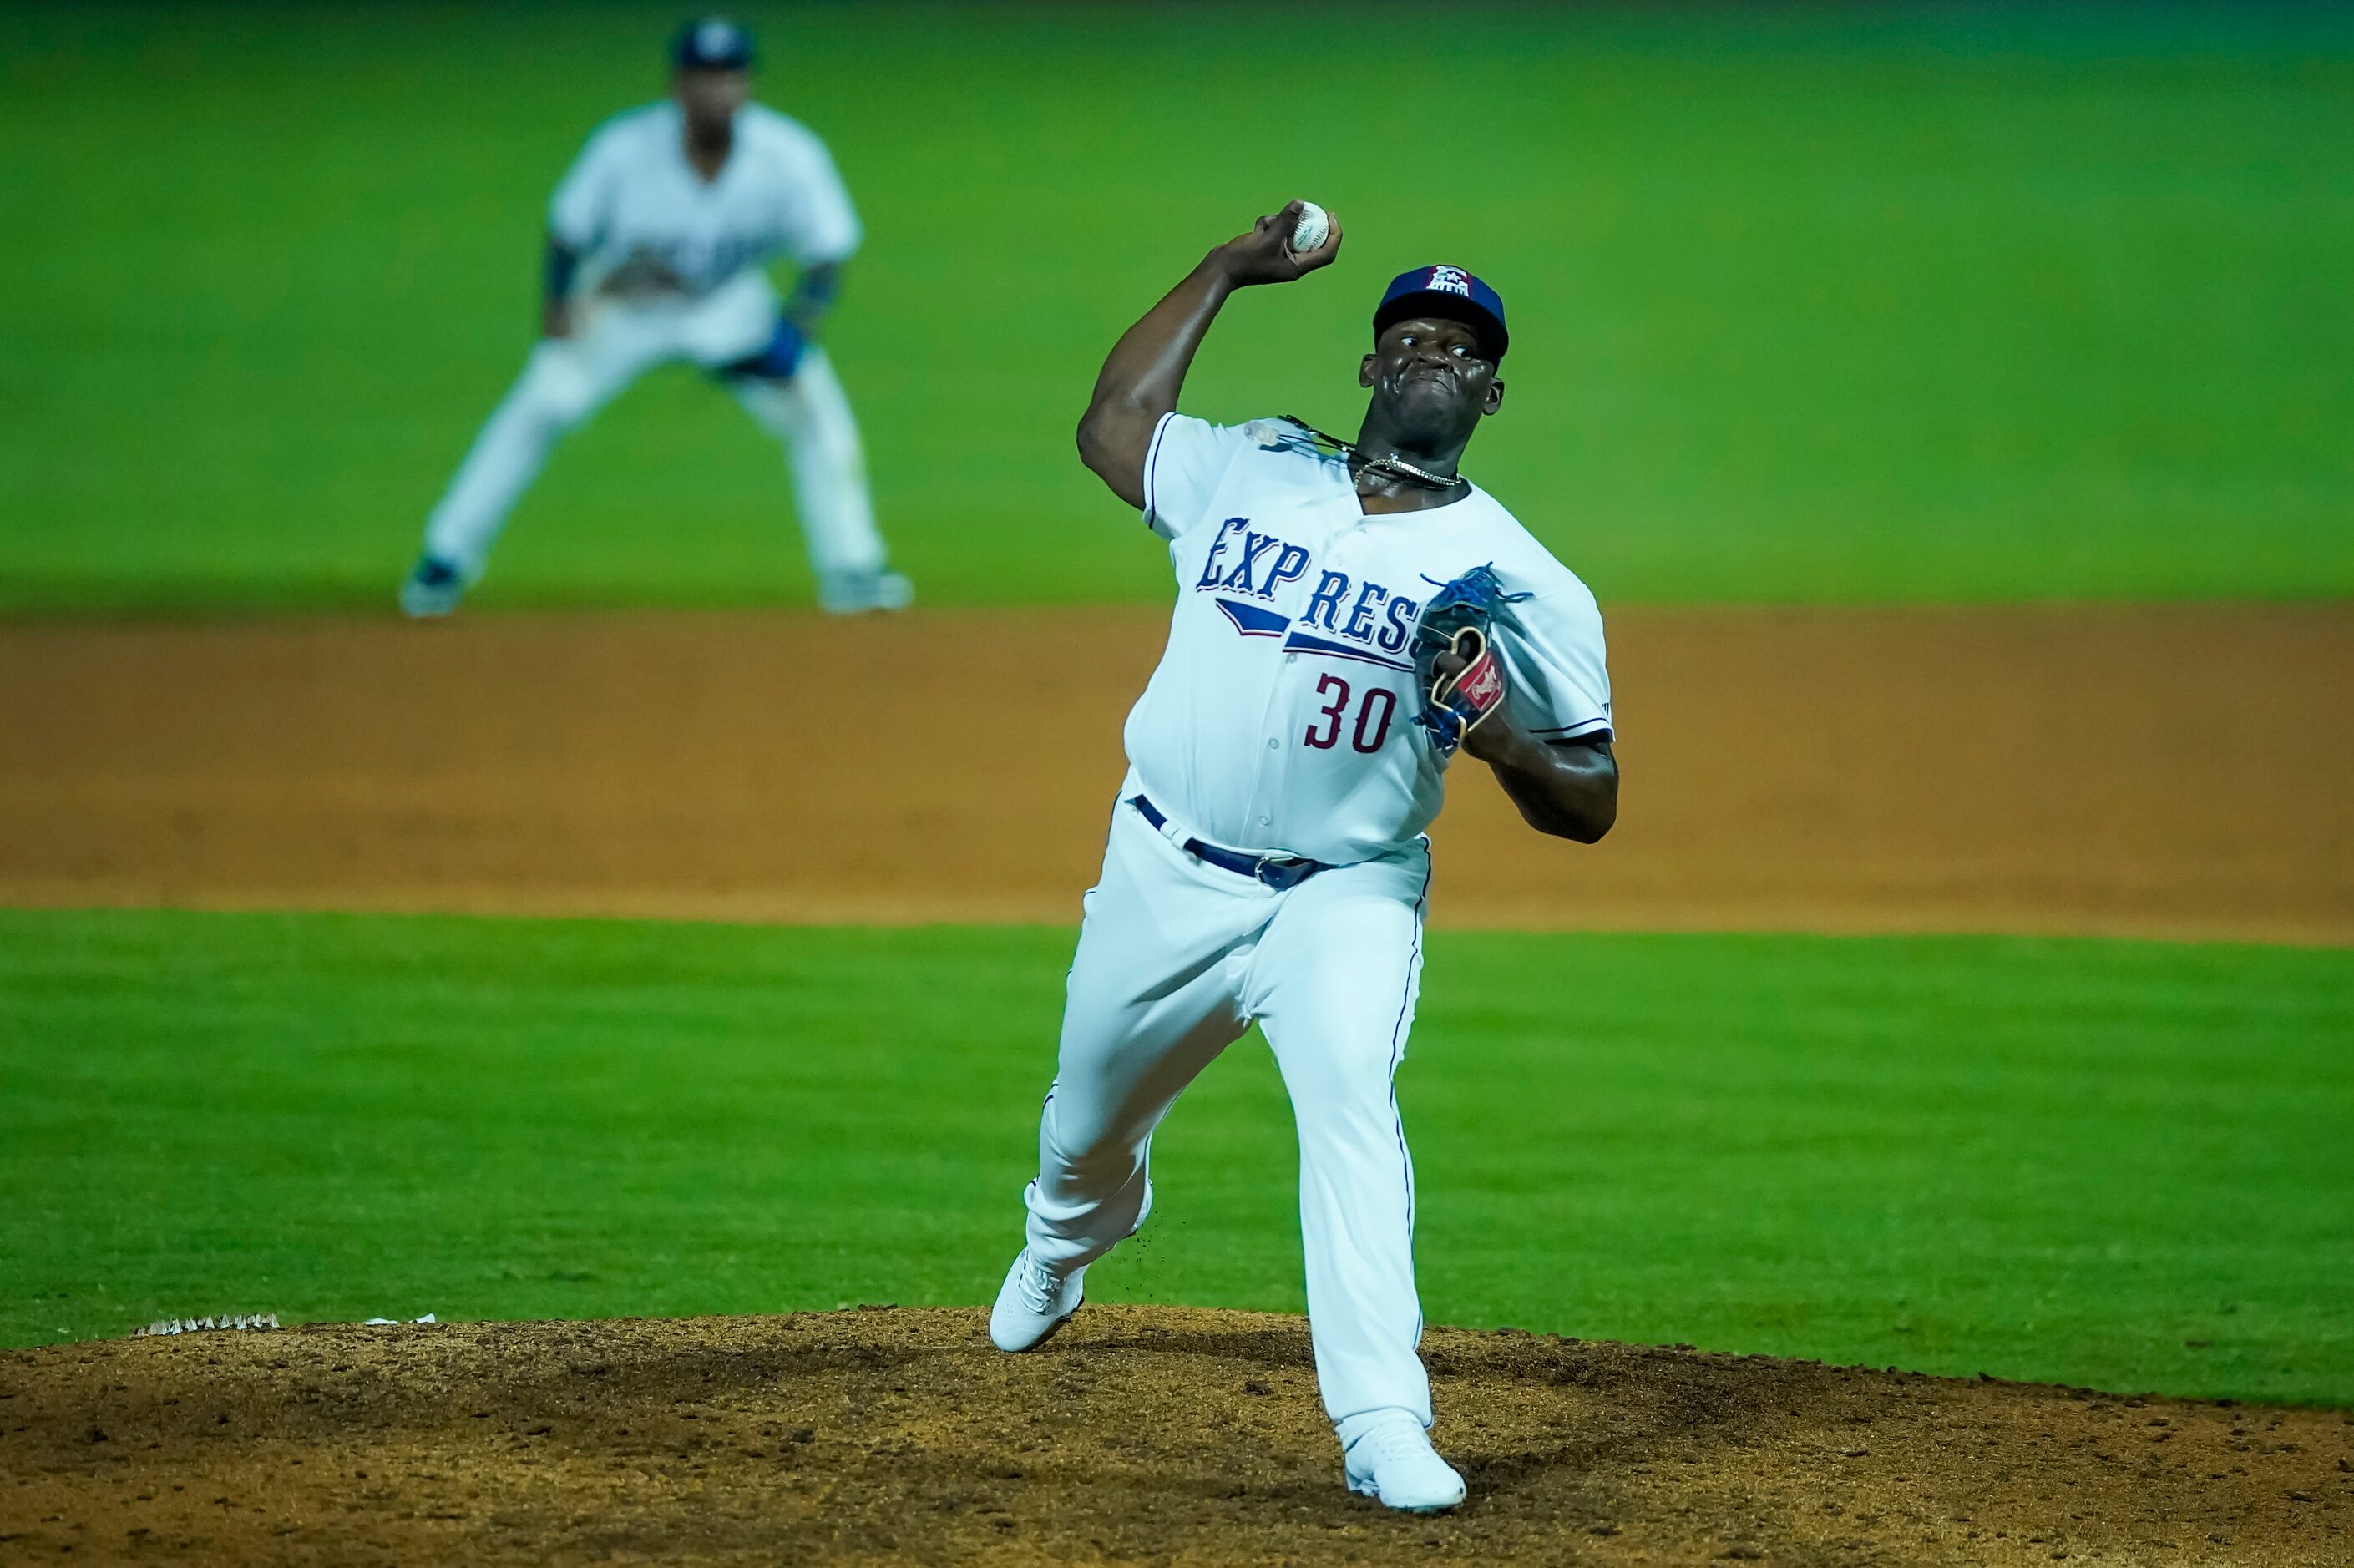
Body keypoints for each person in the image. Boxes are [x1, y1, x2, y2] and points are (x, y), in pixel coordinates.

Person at [985, 204, 1619, 1514]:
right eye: (1408, 336)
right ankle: (1066, 1236)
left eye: (1460, 345)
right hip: (1163, 872)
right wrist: (1222, 270)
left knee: (1349, 1106)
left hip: (1343, 895)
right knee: (1081, 1129)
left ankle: (1382, 1421)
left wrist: (1497, 736)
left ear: (1492, 391)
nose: (1432, 354)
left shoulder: (1522, 579)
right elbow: (1109, 426)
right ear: (1371, 368)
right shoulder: (1253, 465)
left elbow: (1593, 799)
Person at [401, 17, 907, 617]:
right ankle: (445, 559)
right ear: (677, 85)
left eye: (728, 76)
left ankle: (852, 567)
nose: (716, 91)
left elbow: (829, 249)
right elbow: (567, 232)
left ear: (747, 85)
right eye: (702, 77)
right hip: (622, 307)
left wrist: (799, 323)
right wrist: (558, 307)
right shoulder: (622, 149)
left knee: (813, 409)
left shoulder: (788, 155)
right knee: (543, 403)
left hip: (727, 310)